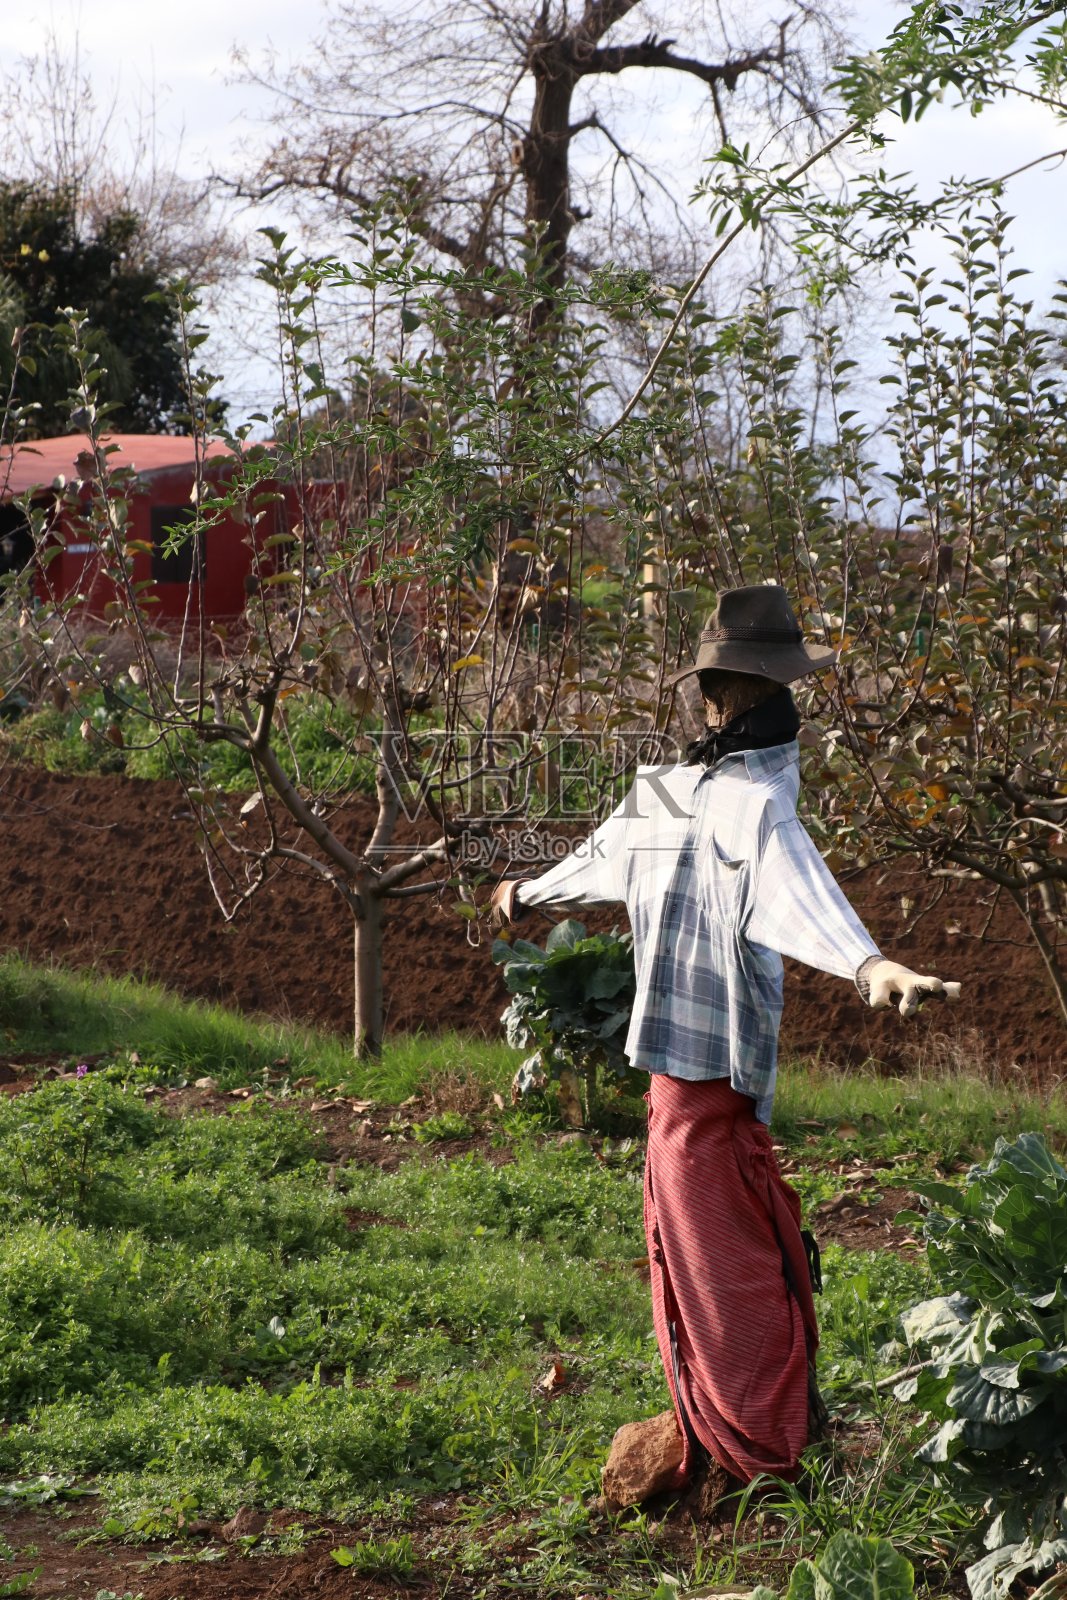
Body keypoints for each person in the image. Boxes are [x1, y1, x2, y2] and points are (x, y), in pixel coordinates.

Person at [491, 584, 960, 1506]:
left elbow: (773, 890)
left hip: (691, 1092)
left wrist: (868, 964)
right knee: (717, 1270)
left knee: (713, 1266)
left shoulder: (692, 795)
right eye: (772, 687)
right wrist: (532, 891)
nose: (777, 704)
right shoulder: (729, 799)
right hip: (698, 1093)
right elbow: (624, 864)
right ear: (753, 694)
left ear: (712, 698)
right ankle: (751, 1451)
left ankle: (745, 1444)